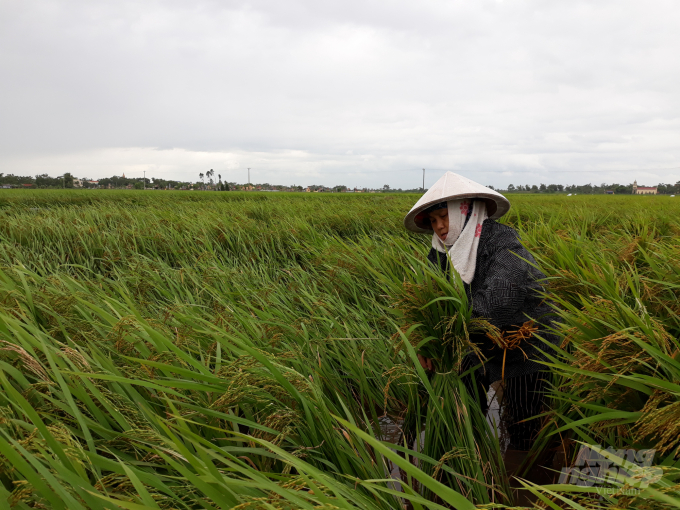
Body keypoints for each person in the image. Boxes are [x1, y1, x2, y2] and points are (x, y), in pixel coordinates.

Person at [403, 172, 558, 451]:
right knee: (464, 410)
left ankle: (524, 477)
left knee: (524, 425)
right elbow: (431, 302)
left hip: (526, 340)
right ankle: (470, 461)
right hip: (476, 338)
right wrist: (425, 341)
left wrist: (444, 340)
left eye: (444, 217)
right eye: (434, 221)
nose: (439, 227)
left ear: (465, 211)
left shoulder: (503, 243)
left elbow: (500, 300)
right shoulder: (440, 252)